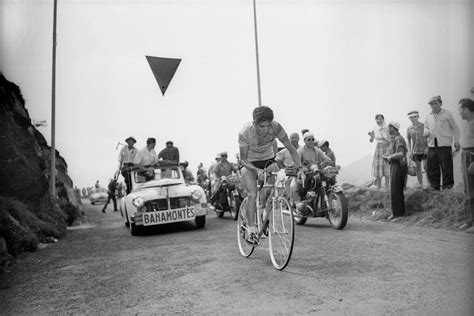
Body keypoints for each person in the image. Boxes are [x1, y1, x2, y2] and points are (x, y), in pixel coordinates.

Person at [239, 106, 303, 245]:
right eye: (262, 126)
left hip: (268, 160)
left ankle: (265, 218)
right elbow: (242, 159)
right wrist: (256, 171)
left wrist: (300, 168)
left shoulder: (276, 127)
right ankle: (250, 229)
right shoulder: (245, 133)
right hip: (249, 164)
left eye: (268, 126)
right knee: (252, 195)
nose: (267, 130)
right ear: (254, 123)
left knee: (277, 190)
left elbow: (291, 149)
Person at [424, 95, 460, 190]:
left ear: (440, 103)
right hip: (432, 145)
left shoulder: (447, 114)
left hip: (444, 144)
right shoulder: (428, 115)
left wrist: (456, 141)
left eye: (436, 103)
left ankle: (447, 188)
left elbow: (455, 128)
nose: (434, 106)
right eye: (431, 104)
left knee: (446, 167)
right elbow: (426, 126)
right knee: (432, 168)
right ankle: (434, 187)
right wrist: (426, 131)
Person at [290, 132, 334, 206]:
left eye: (312, 139)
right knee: (298, 184)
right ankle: (300, 201)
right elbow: (296, 161)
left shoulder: (317, 150)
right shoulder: (300, 150)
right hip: (304, 172)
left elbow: (325, 158)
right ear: (304, 141)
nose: (311, 141)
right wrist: (302, 168)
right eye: (309, 139)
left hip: (315, 172)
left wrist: (328, 162)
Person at [383, 122, 408, 221]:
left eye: (389, 127)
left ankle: (397, 214)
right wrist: (388, 157)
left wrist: (389, 157)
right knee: (397, 190)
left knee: (395, 190)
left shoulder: (398, 139)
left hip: (398, 167)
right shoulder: (395, 139)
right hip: (395, 166)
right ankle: (399, 213)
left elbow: (401, 154)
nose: (388, 129)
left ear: (394, 128)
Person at [458, 98, 474, 232]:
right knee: (467, 192)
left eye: (461, 110)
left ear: (467, 109)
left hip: (471, 157)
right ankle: (469, 221)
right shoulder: (467, 123)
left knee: (472, 191)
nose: (459, 113)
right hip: (465, 156)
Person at [406, 111, 428, 189]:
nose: (413, 119)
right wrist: (410, 151)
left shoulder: (423, 126)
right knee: (418, 167)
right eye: (411, 117)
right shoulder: (409, 129)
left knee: (426, 167)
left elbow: (428, 137)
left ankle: (429, 184)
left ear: (418, 116)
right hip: (415, 150)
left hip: (424, 149)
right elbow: (408, 140)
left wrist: (427, 147)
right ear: (409, 118)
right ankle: (420, 184)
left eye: (415, 117)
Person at [369, 114, 391, 190]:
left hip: (386, 148)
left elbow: (390, 141)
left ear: (383, 119)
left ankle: (387, 187)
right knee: (378, 167)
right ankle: (378, 187)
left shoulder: (387, 128)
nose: (379, 120)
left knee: (386, 167)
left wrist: (383, 138)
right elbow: (371, 141)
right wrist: (371, 136)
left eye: (380, 119)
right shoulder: (375, 128)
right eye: (377, 119)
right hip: (378, 148)